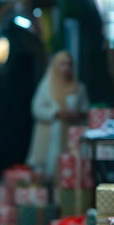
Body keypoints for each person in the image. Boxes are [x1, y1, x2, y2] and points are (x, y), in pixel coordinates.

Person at [26, 50, 89, 182]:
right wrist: (55, 113)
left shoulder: (79, 88)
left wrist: (76, 115)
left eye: (69, 64)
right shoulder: (46, 86)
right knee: (47, 176)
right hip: (50, 136)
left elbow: (85, 110)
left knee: (70, 174)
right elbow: (36, 108)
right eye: (62, 64)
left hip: (72, 137)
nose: (66, 68)